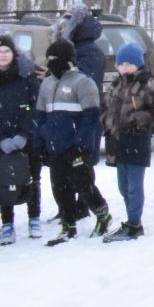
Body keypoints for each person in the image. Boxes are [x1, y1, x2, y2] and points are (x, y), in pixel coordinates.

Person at [37, 37, 112, 243]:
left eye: (55, 59)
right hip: (55, 146)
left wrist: (79, 142)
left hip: (77, 146)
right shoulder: (47, 84)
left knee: (83, 185)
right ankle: (68, 225)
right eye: (49, 59)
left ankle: (102, 214)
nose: (51, 63)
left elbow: (91, 117)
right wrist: (43, 140)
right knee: (59, 187)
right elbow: (41, 116)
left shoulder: (83, 82)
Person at [101, 42, 154, 242]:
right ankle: (130, 219)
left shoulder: (147, 83)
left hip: (136, 139)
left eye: (128, 63)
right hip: (117, 139)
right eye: (121, 63)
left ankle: (134, 224)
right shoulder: (116, 84)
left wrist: (140, 119)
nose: (124, 67)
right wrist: (105, 120)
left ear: (137, 64)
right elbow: (106, 105)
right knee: (123, 186)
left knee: (134, 184)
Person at [0, 40, 41, 243]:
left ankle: (34, 217)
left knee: (32, 178)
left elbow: (36, 107)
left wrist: (24, 134)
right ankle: (7, 223)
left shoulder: (26, 78)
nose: (3, 55)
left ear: (14, 54)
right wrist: (0, 138)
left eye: (7, 51)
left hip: (26, 138)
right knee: (3, 181)